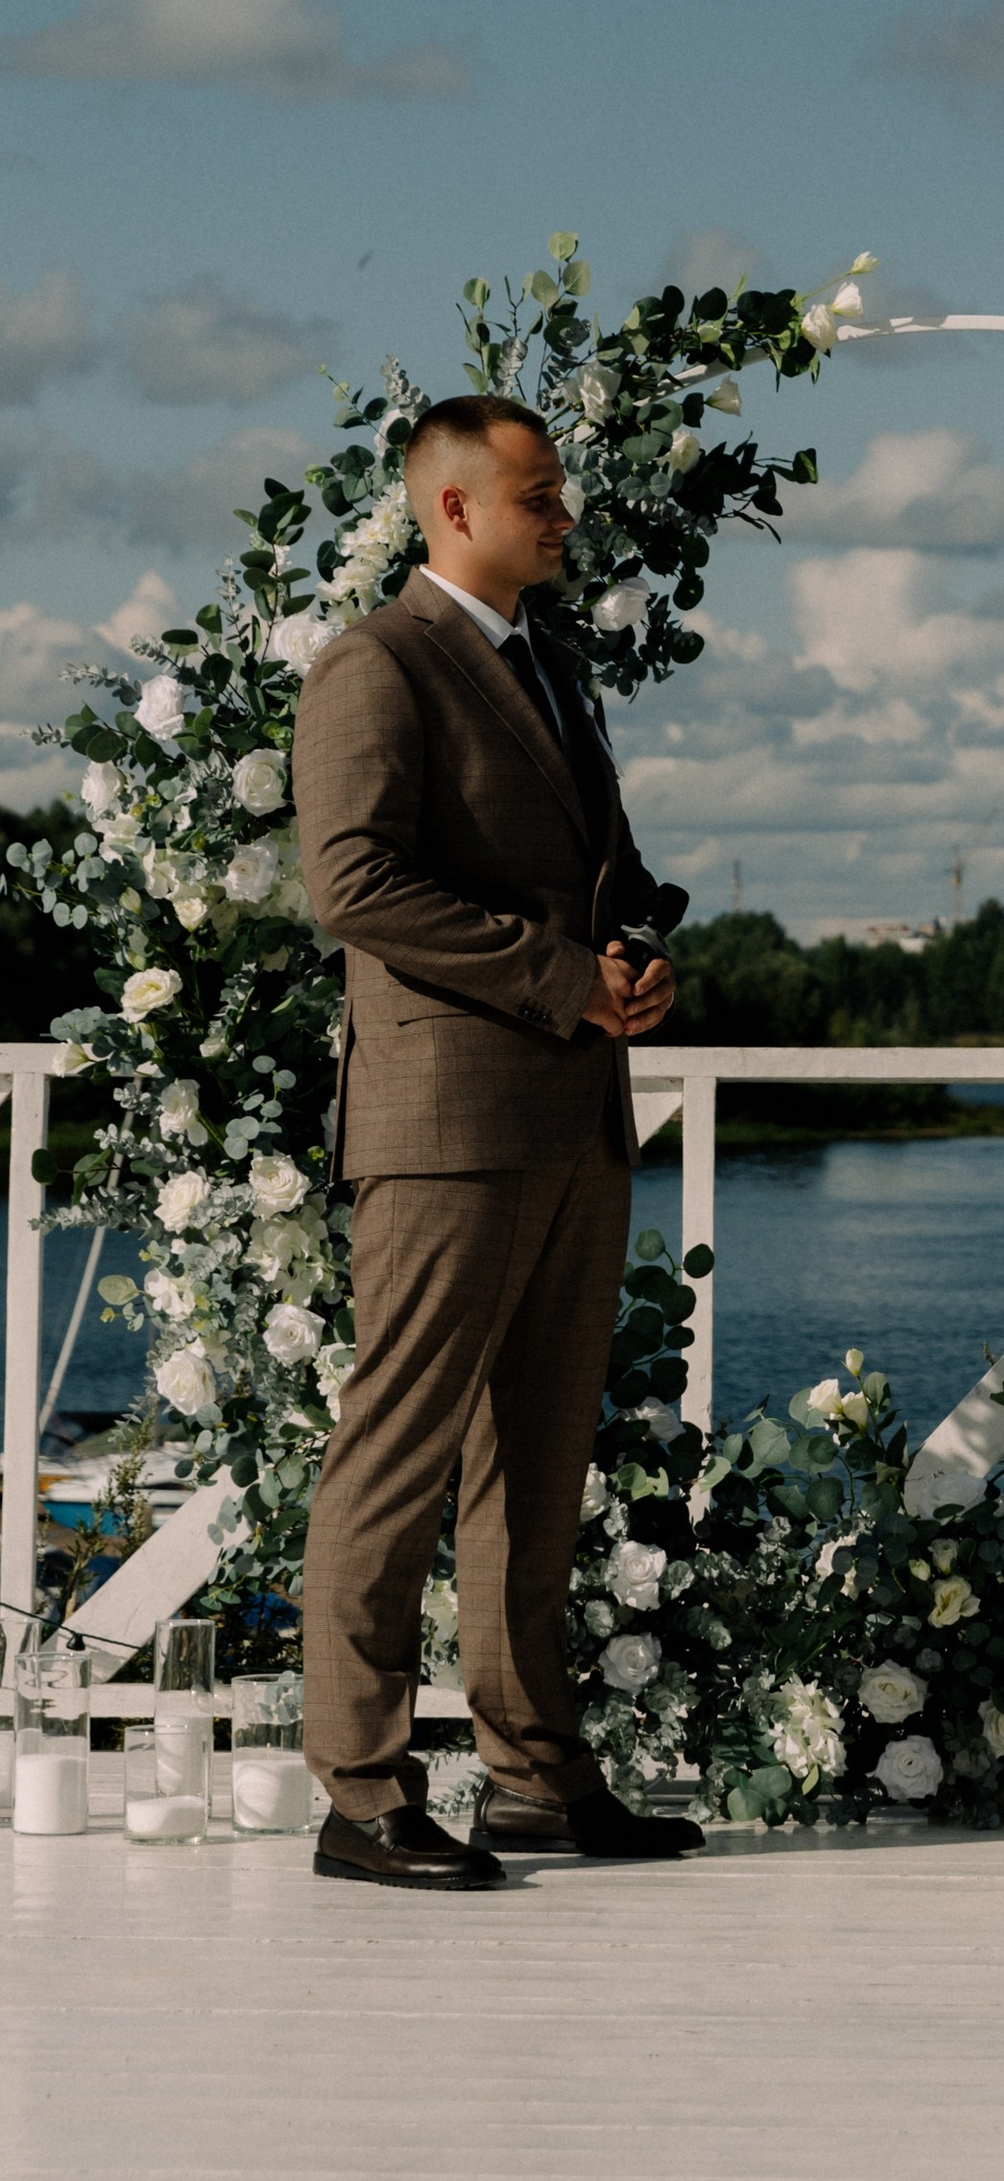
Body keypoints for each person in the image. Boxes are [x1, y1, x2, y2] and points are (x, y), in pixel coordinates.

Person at [292, 395, 702, 1891]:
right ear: (452, 508)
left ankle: (533, 1780)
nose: (568, 516)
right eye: (541, 497)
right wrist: (553, 973)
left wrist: (640, 952)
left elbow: (619, 876)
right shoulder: (375, 665)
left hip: (573, 1116)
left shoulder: (551, 670)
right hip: (449, 1120)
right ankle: (360, 1793)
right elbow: (350, 884)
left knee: (537, 1469)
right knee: (395, 1459)